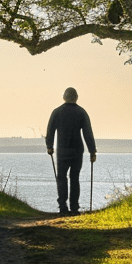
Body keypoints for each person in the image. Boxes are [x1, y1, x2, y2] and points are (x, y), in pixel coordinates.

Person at [45, 87, 96, 215]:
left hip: (62, 150)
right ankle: (74, 208)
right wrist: (92, 151)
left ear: (64, 97)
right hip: (77, 150)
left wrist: (49, 146)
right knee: (75, 178)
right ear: (76, 97)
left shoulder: (57, 112)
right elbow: (87, 133)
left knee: (61, 177)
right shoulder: (81, 112)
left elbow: (50, 130)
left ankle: (63, 206)